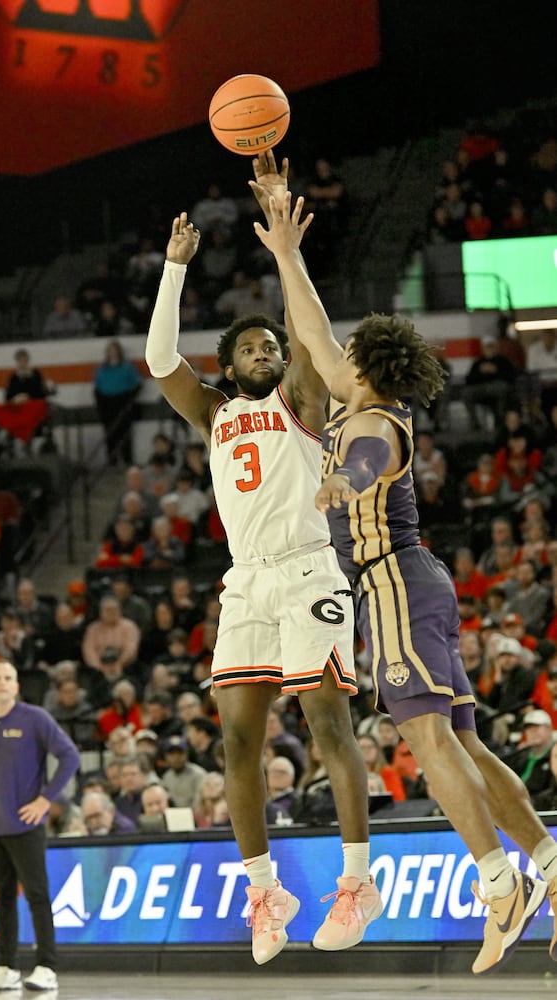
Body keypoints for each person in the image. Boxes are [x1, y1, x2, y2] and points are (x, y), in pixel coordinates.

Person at [254, 186, 557, 975]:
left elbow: (363, 465)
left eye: (348, 352)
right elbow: (313, 329)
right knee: (462, 742)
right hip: (416, 583)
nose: (336, 351)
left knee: (425, 741)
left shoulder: (375, 423)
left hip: (393, 585)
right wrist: (286, 253)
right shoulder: (360, 398)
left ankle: (501, 885)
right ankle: (552, 869)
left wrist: (339, 485)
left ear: (365, 367)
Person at [145, 152, 377, 965]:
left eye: (271, 345)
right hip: (244, 585)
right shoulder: (211, 412)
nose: (265, 350)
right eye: (250, 346)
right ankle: (263, 890)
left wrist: (285, 240)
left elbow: (306, 324)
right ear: (230, 360)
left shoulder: (299, 399)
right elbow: (159, 362)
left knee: (325, 722)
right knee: (235, 743)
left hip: (309, 567)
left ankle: (357, 881)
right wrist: (174, 273)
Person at [0, 659, 80, 992]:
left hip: (26, 825)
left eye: (9, 677)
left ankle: (46, 966)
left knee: (38, 896)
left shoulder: (34, 718)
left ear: (16, 685)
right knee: (4, 898)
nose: (2, 683)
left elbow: (70, 756)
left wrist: (45, 799)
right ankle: (7, 966)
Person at [93, 339, 142, 466]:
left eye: (114, 351)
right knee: (110, 435)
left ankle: (127, 461)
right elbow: (97, 387)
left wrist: (129, 400)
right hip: (106, 403)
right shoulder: (102, 369)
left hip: (122, 401)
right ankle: (112, 461)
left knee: (124, 434)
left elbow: (137, 384)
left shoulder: (127, 367)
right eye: (110, 351)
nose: (112, 353)